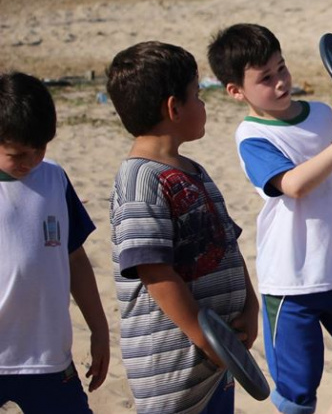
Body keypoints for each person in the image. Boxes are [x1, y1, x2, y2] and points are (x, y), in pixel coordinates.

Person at [207, 24, 332, 414]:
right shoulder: (251, 135)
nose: (280, 81)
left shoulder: (321, 114)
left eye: (281, 68)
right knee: (297, 398)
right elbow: (294, 185)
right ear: (235, 91)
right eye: (265, 78)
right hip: (291, 282)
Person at [107, 42, 259, 414]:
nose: (203, 104)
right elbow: (154, 272)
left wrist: (250, 305)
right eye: (197, 95)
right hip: (173, 369)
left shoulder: (194, 171)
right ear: (174, 108)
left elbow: (226, 243)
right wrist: (204, 339)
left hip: (215, 363)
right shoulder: (140, 180)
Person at [0, 72, 109, 413]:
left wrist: (99, 329)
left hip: (48, 356)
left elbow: (75, 258)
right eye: (18, 154)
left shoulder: (54, 178)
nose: (31, 161)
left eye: (40, 149)